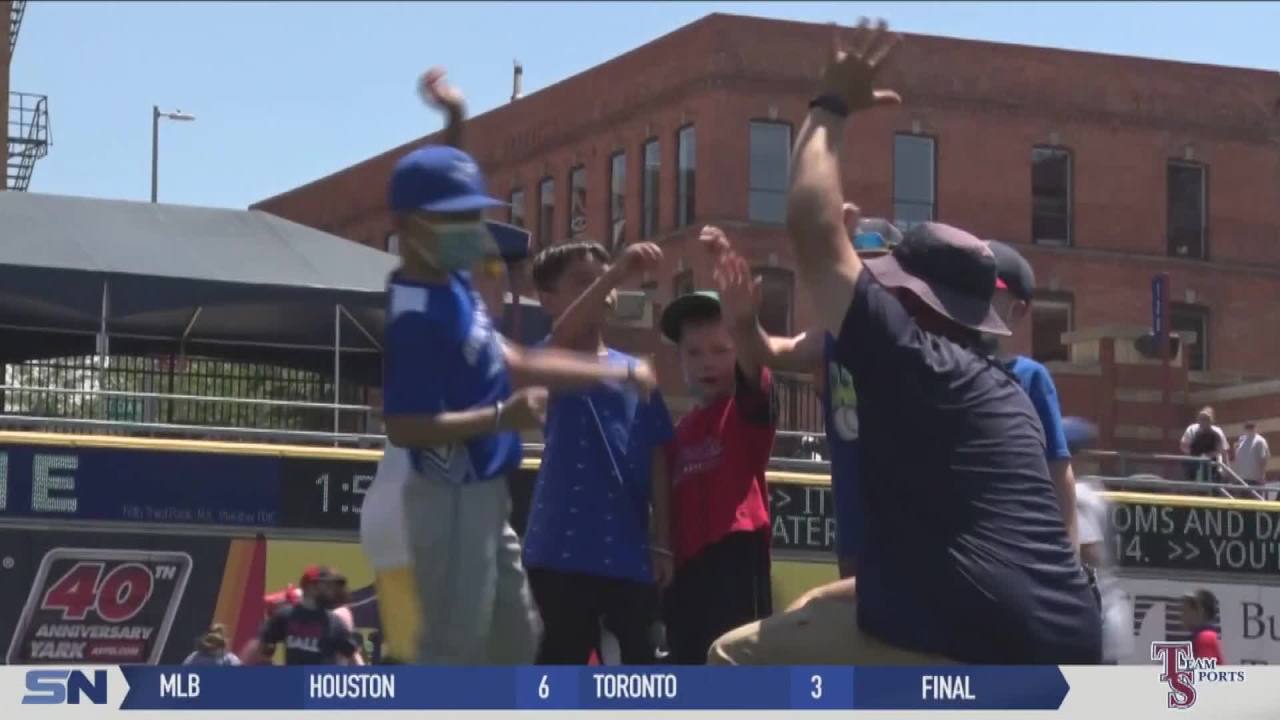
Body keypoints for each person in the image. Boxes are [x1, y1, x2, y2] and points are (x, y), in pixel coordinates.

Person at [708, 18, 1101, 665]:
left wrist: (830, 105)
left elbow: (809, 223)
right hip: (1059, 642)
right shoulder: (1002, 393)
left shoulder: (915, 356)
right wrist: (833, 595)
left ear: (916, 301)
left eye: (891, 284)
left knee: (731, 659)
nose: (880, 291)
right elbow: (976, 554)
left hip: (971, 641)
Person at [376, 66, 660, 666]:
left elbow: (525, 357)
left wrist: (454, 119)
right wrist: (500, 416)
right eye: (454, 219)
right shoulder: (417, 318)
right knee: (457, 660)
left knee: (515, 646)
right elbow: (405, 426)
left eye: (468, 214)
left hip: (483, 501)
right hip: (442, 497)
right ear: (409, 230)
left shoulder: (447, 276)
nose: (469, 230)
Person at [709, 215, 899, 581]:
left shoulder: (916, 337)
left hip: (912, 522)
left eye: (877, 267)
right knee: (856, 621)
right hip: (856, 525)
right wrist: (746, 322)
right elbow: (772, 352)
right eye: (856, 268)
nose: (864, 280)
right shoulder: (830, 337)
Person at [521, 239, 675, 665]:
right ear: (547, 300)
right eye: (585, 282)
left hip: (628, 553)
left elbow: (659, 456)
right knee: (560, 668)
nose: (605, 291)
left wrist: (662, 543)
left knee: (640, 670)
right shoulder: (547, 360)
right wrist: (617, 272)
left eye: (606, 281)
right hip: (560, 555)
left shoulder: (637, 371)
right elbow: (563, 335)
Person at [658, 230, 779, 665]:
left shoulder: (746, 412)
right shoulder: (678, 432)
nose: (707, 362)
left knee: (734, 673)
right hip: (685, 569)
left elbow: (754, 367)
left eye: (720, 350)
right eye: (693, 353)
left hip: (734, 558)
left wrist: (744, 321)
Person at [986, 240, 1079, 548]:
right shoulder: (937, 362)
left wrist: (1071, 561)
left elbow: (1058, 472)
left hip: (1015, 545)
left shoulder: (1031, 378)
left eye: (988, 291)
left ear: (1018, 310)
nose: (974, 299)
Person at [241, 566, 360, 666]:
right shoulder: (286, 616)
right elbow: (259, 644)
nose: (332, 591)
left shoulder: (334, 622)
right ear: (310, 586)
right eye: (327, 585)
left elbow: (353, 656)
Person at [1179, 407, 1229, 486]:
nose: (1203, 421)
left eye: (1206, 419)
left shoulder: (1216, 434)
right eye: (1201, 419)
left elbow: (1221, 450)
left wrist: (1225, 470)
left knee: (1208, 487)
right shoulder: (1193, 431)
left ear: (1211, 420)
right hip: (1194, 466)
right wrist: (1195, 455)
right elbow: (1183, 445)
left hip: (1209, 468)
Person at [1180, 589, 1225, 664]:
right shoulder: (1200, 637)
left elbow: (1203, 673)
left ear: (1200, 611)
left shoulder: (1205, 638)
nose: (1182, 615)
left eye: (1185, 610)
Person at [1233, 421, 1270, 496]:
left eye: (1251, 427)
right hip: (1241, 479)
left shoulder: (1260, 441)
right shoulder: (1242, 440)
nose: (1249, 429)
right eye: (1247, 427)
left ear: (1255, 428)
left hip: (1255, 480)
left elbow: (1263, 459)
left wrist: (1262, 476)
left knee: (1255, 502)